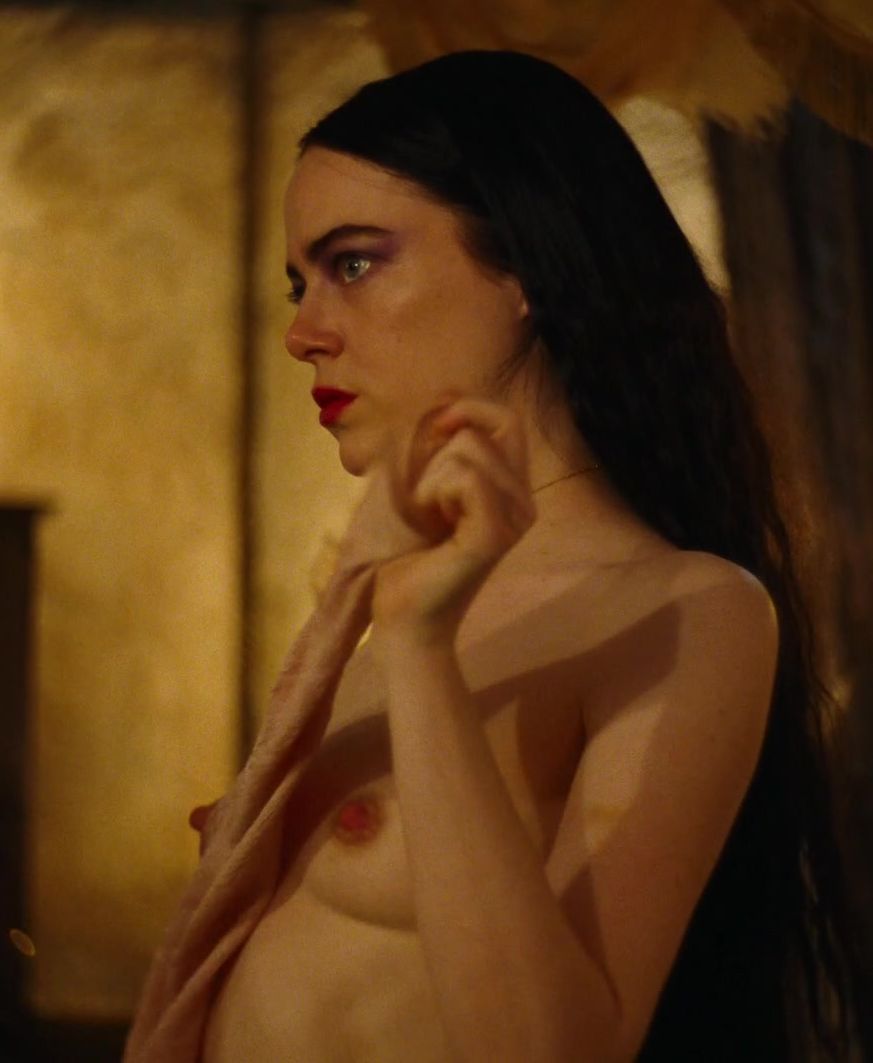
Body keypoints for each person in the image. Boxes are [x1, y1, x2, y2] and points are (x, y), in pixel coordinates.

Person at [155, 50, 863, 1061]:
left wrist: (421, 649)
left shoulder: (688, 608)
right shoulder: (388, 596)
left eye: (352, 264)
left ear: (527, 263)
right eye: (298, 283)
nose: (302, 332)